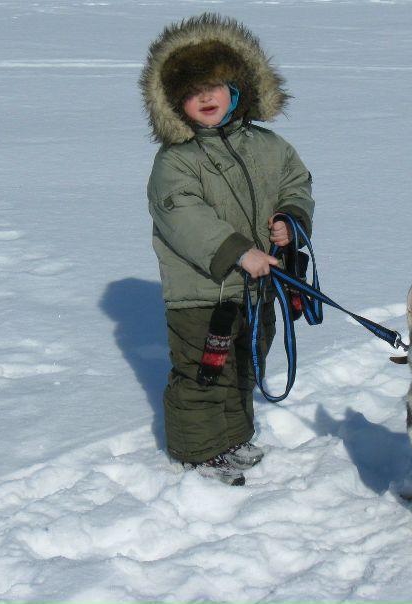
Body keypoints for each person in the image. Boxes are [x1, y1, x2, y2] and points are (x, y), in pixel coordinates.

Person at [139, 13, 315, 485]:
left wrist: (289, 221)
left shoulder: (268, 146)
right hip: (203, 292)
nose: (205, 97)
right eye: (193, 91)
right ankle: (199, 452)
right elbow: (183, 216)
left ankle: (232, 439)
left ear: (237, 86)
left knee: (245, 364)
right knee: (204, 373)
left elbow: (295, 183)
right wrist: (240, 251)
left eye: (214, 85)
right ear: (176, 104)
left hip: (258, 288)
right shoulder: (176, 162)